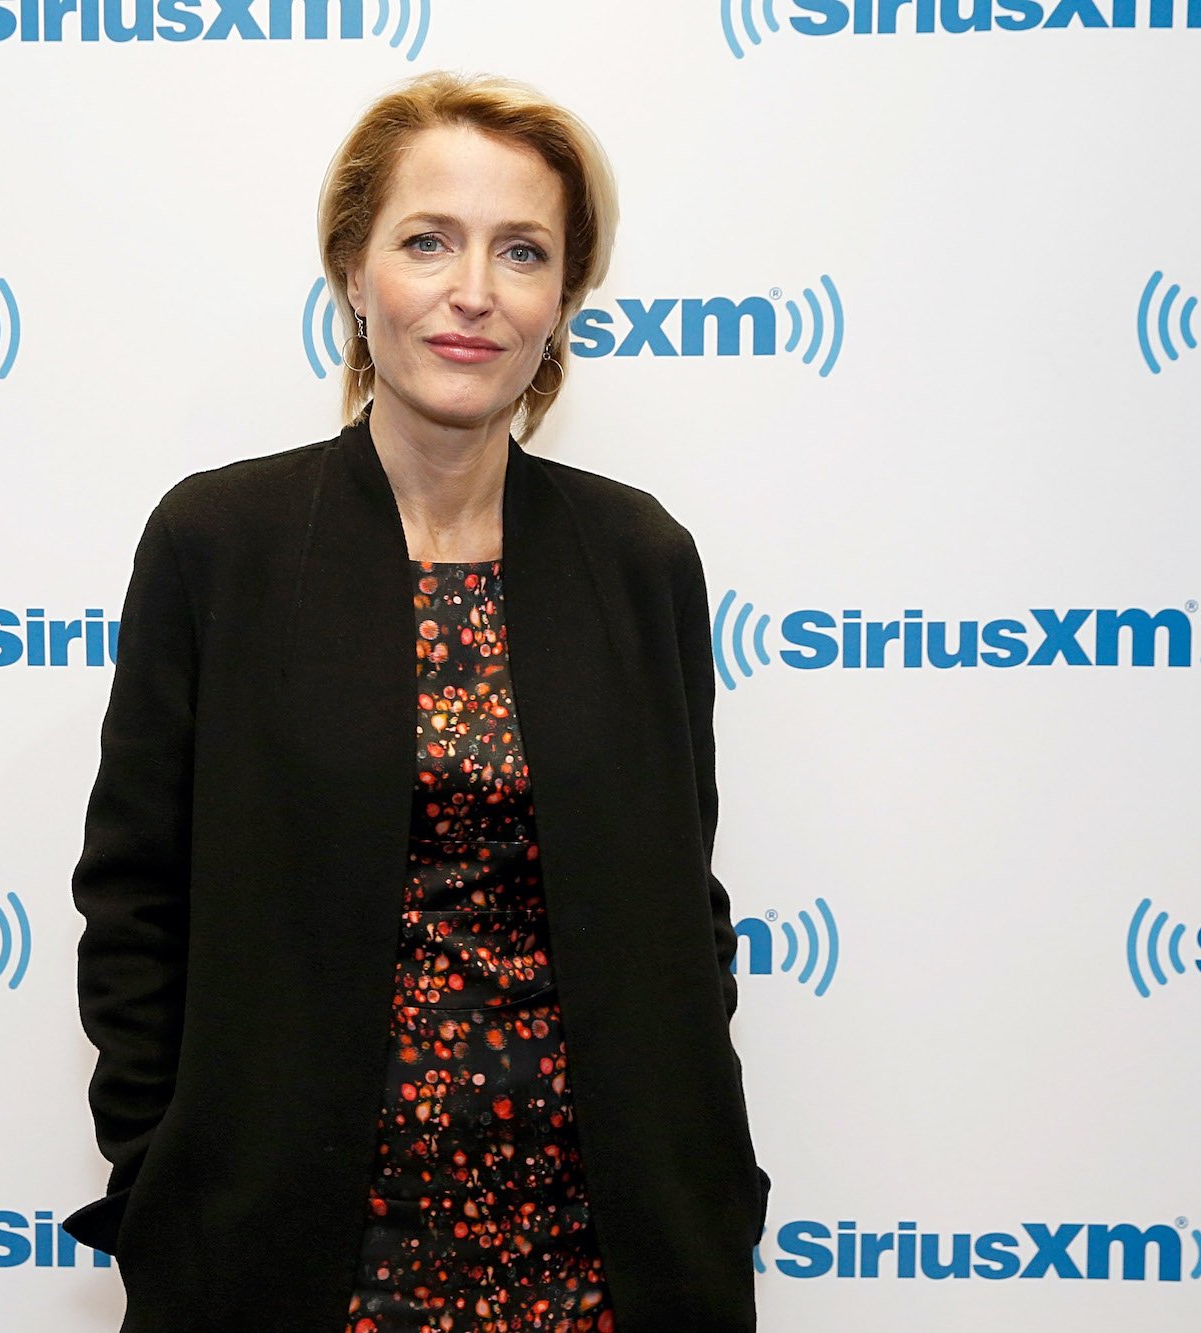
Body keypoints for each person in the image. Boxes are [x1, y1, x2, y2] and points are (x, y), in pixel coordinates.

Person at [61, 70, 771, 1331]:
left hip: (599, 1258)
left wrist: (708, 1183)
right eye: (427, 240)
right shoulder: (218, 543)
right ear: (351, 271)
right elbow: (135, 902)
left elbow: (681, 904)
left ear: (562, 301)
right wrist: (162, 1182)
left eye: (522, 252)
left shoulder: (640, 560)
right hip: (295, 1258)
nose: (472, 292)